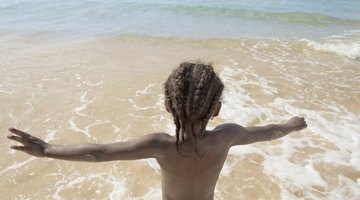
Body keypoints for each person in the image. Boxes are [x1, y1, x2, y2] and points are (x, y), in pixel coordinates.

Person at [7, 62, 307, 200]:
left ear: (168, 106)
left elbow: (98, 154)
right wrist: (292, 125)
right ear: (216, 109)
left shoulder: (161, 146)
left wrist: (47, 150)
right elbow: (269, 131)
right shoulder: (227, 135)